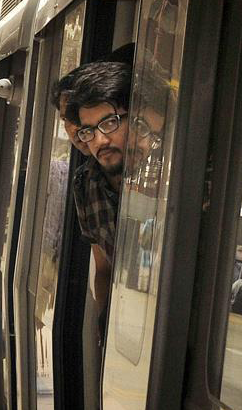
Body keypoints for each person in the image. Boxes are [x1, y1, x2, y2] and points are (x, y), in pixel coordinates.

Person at [65, 61, 159, 334]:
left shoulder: (168, 174)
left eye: (109, 123)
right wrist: (104, 328)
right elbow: (104, 267)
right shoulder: (85, 183)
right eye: (89, 130)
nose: (99, 140)